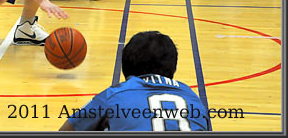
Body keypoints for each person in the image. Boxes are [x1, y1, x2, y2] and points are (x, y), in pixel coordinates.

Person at [59, 31, 211, 131]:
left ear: (126, 67)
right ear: (173, 68)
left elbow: (65, 132)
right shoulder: (193, 98)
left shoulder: (114, 95)